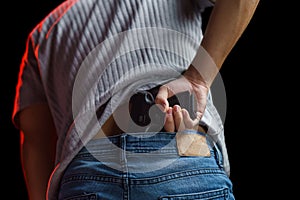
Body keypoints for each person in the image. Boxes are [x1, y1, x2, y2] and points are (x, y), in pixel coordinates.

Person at [12, 0, 260, 199]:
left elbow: (36, 144)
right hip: (180, 148)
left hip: (88, 170)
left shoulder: (44, 33)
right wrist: (198, 78)